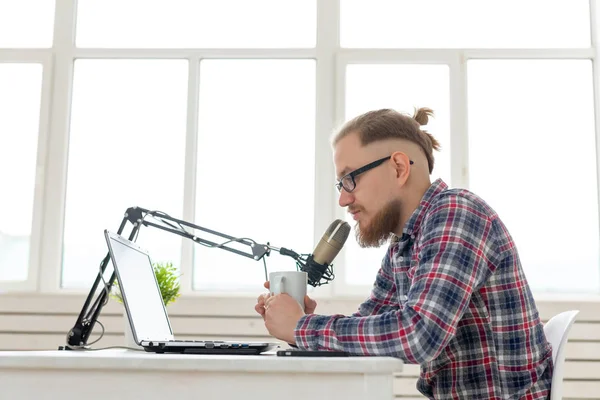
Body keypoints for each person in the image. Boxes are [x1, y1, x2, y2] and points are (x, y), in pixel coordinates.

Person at [255, 107, 553, 399]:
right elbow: (371, 326)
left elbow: (418, 335)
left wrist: (302, 327)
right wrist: (300, 322)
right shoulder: (405, 243)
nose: (344, 199)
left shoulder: (456, 212)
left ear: (399, 167)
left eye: (350, 179)